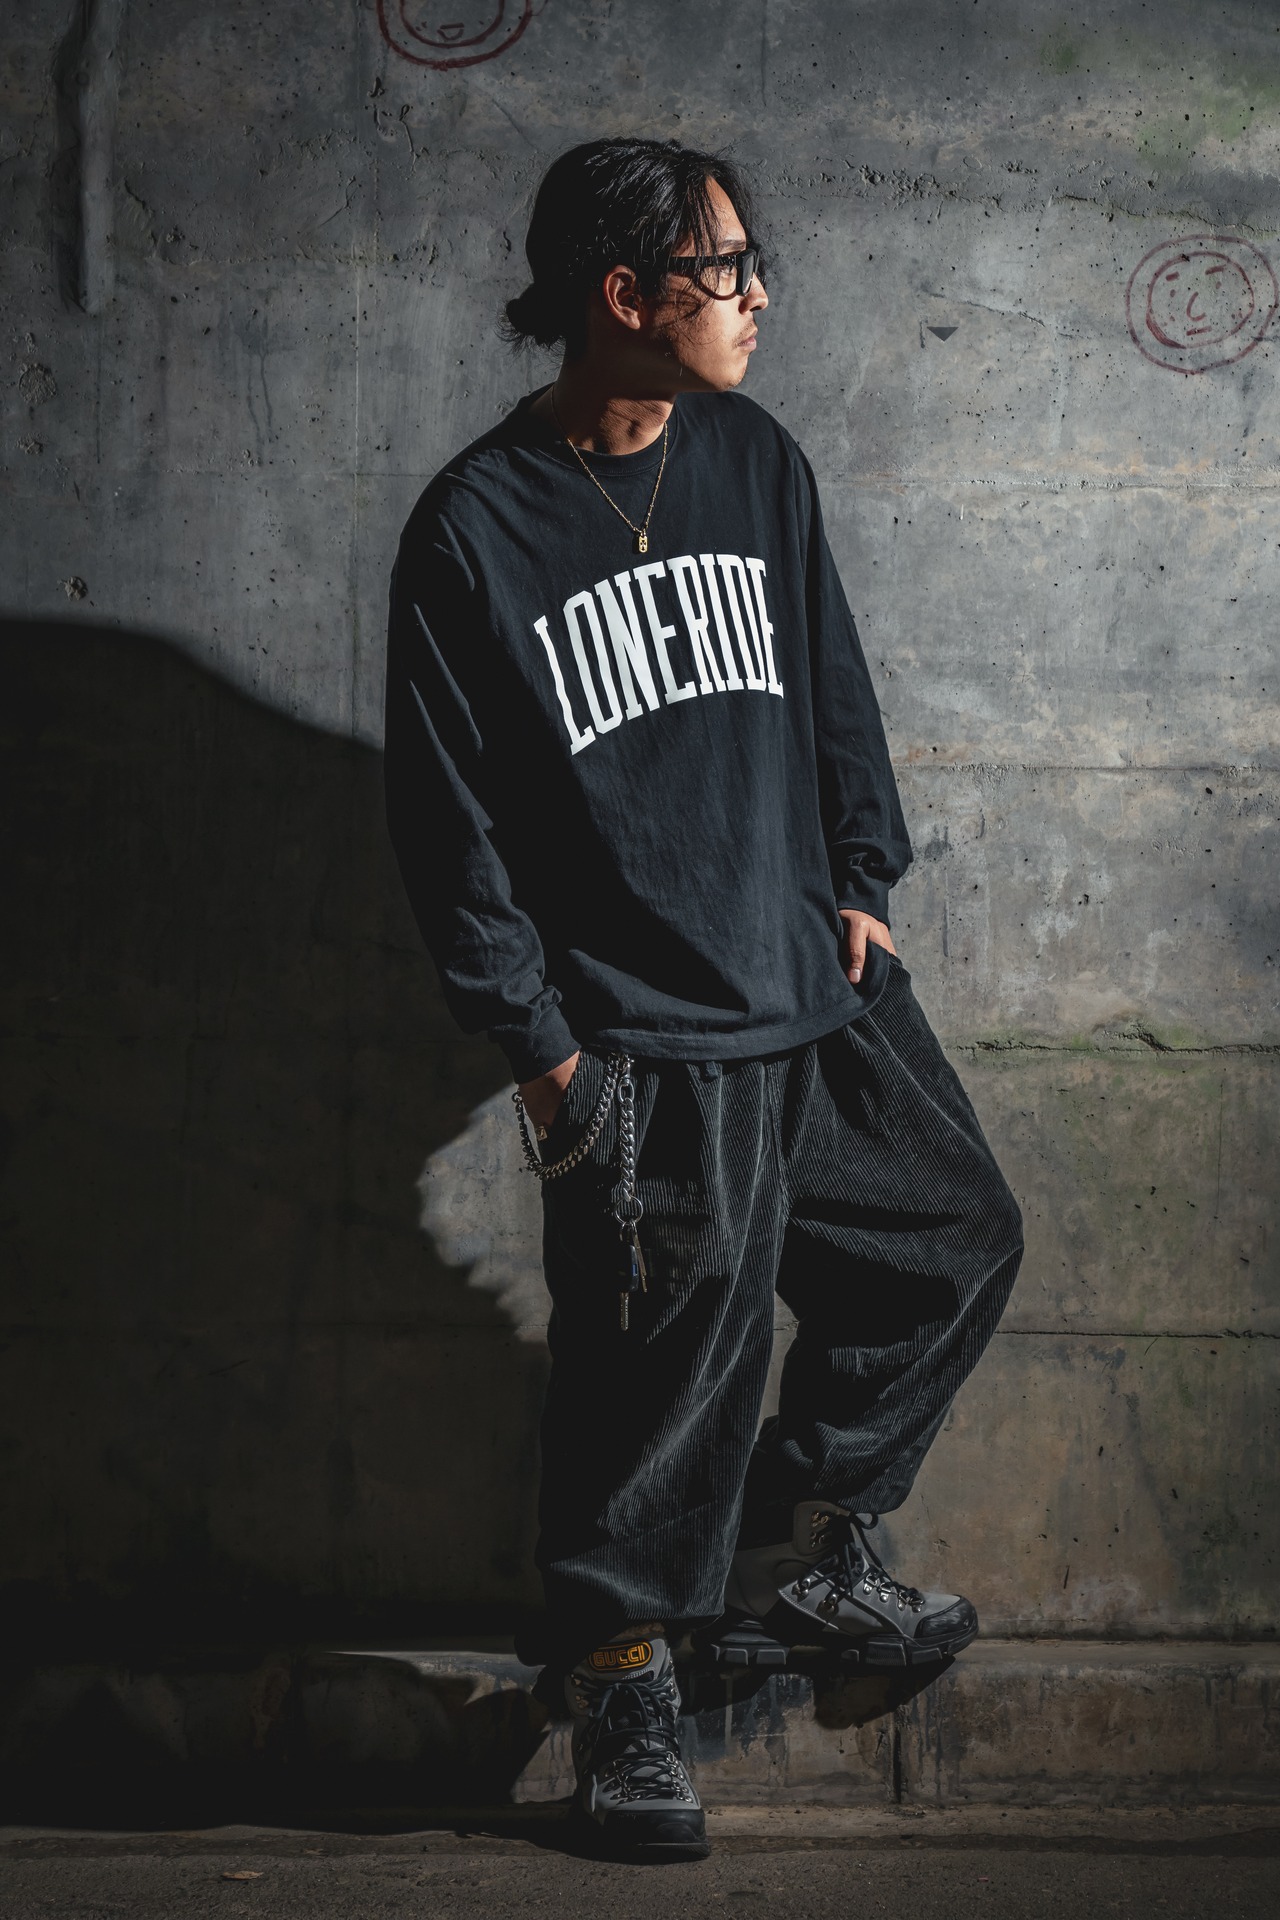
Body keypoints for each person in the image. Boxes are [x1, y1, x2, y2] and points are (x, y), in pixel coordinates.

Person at [383, 136, 1024, 1862]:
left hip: (816, 989)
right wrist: (546, 1061)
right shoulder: (476, 528)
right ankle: (622, 1692)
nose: (757, 297)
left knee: (953, 1240)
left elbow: (833, 682)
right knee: (655, 1381)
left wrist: (864, 877)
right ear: (626, 293)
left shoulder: (754, 458)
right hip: (642, 1035)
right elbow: (447, 825)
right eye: (727, 268)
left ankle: (801, 1548)